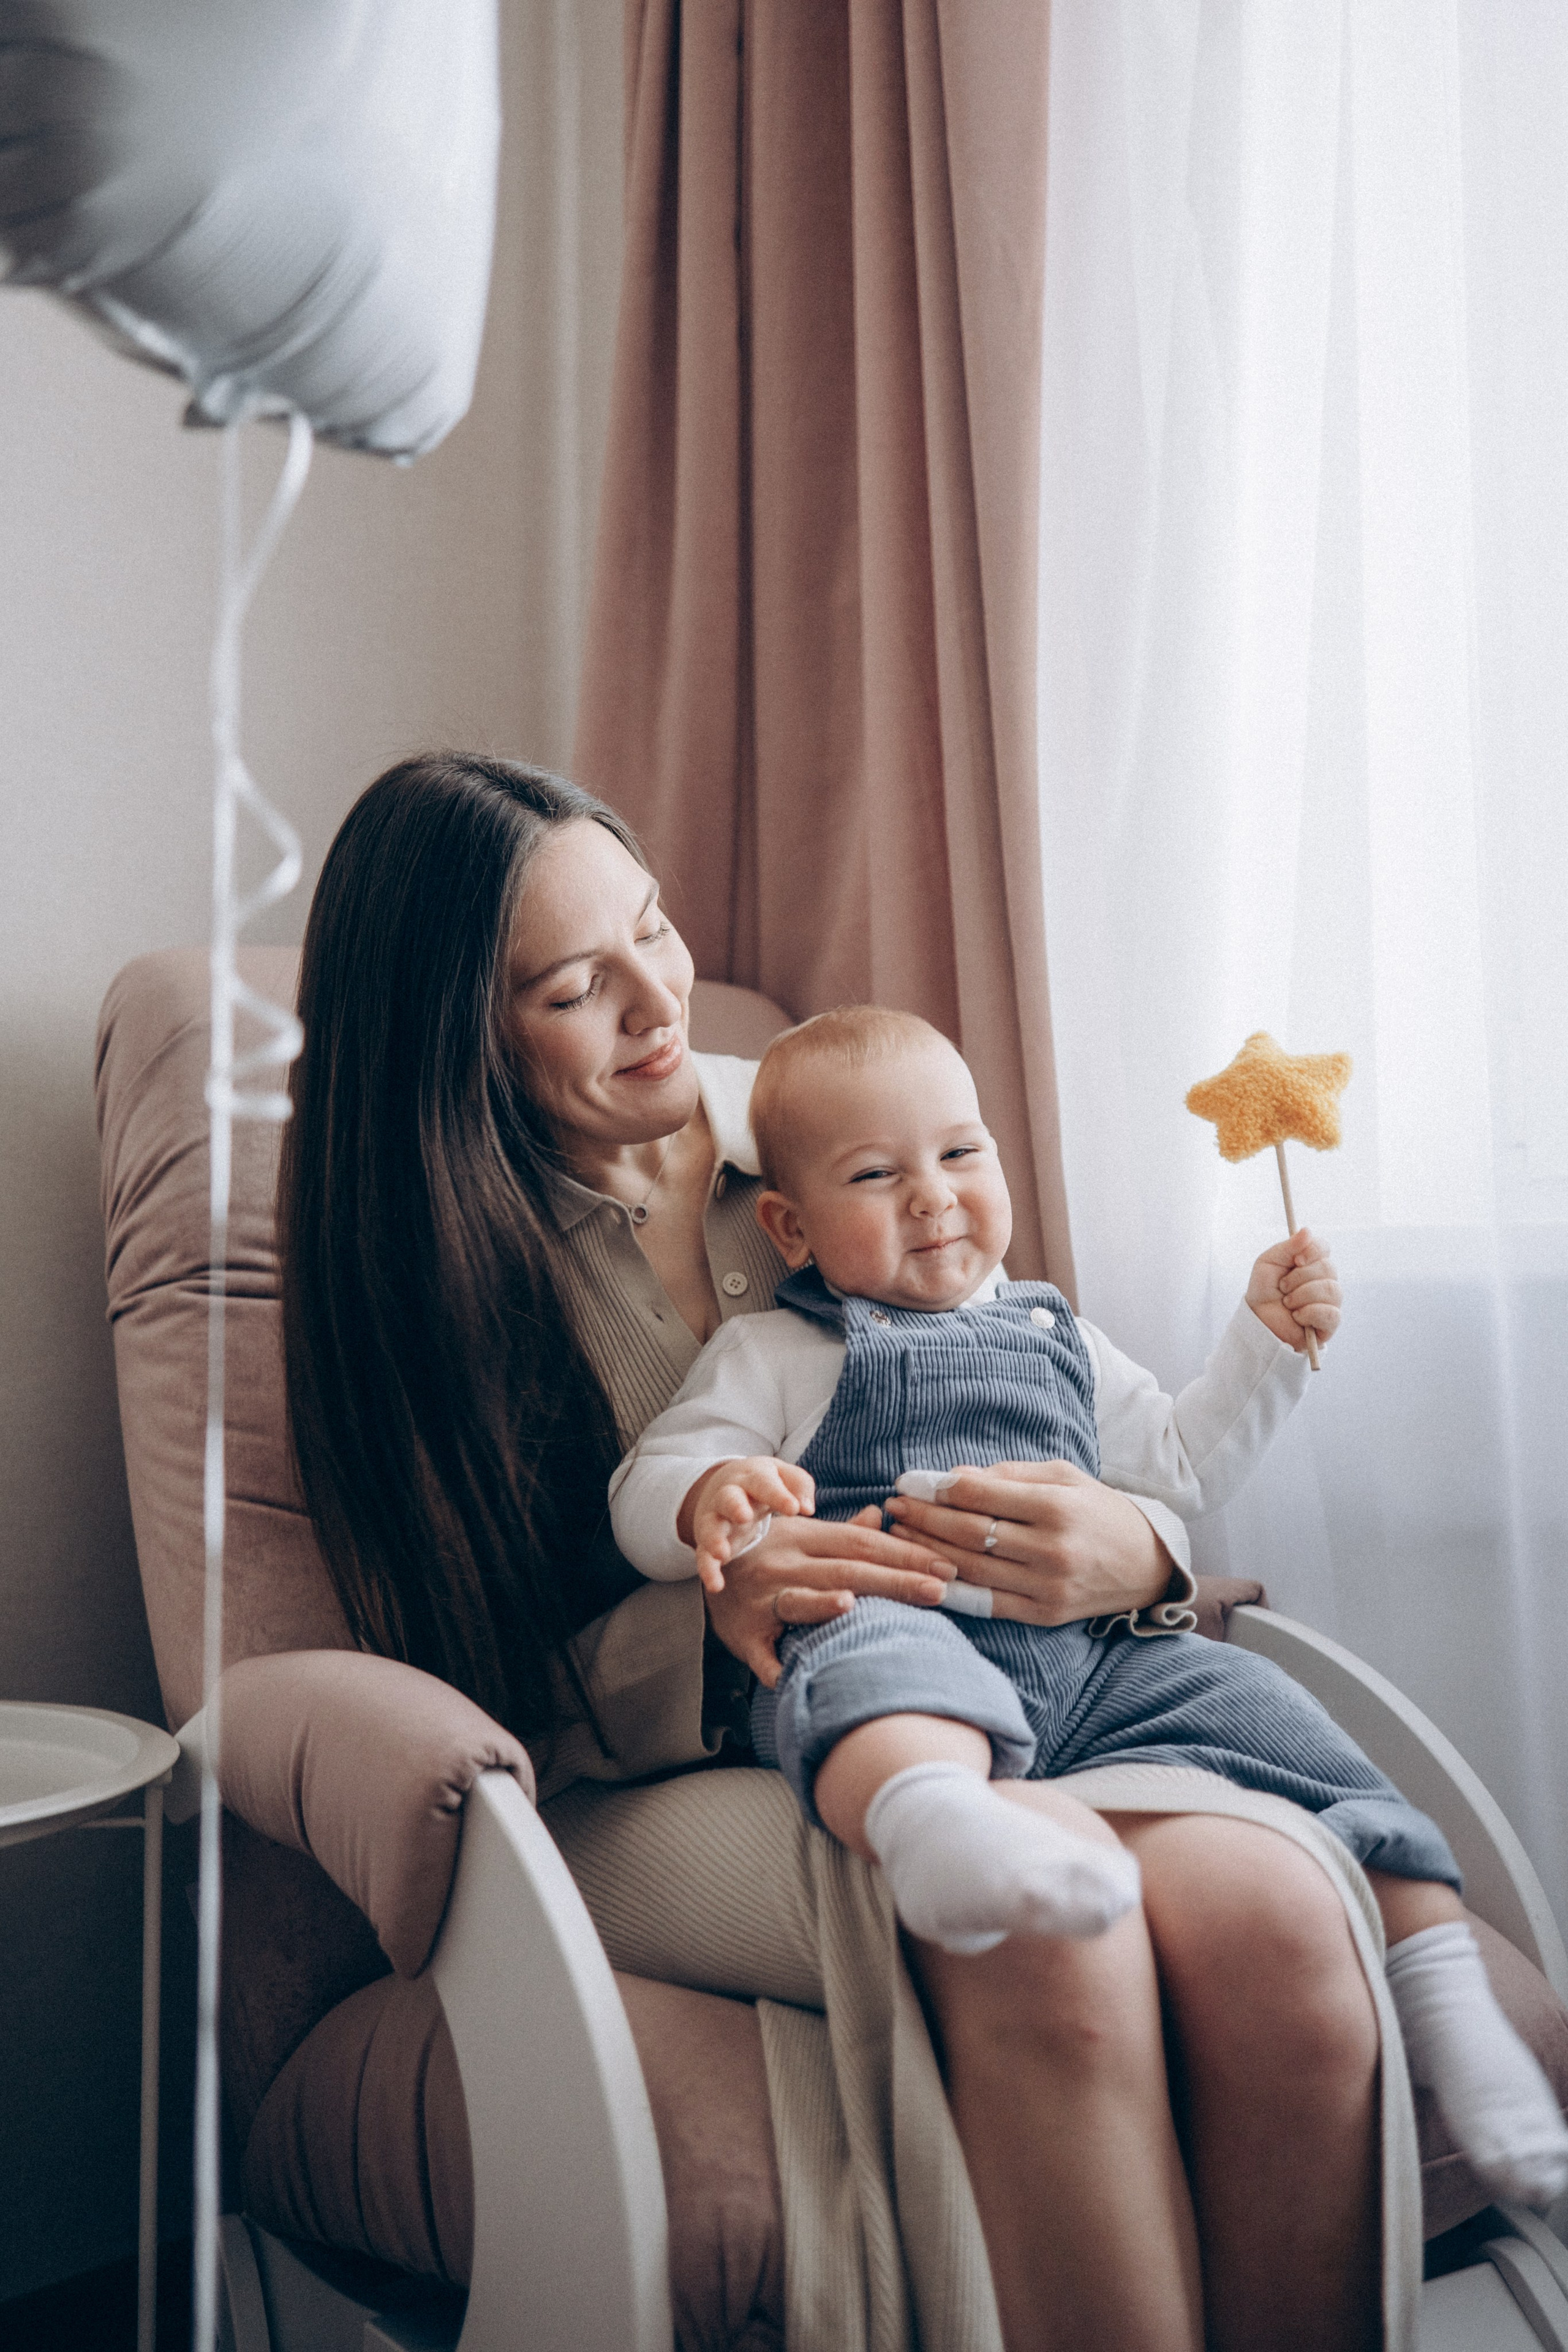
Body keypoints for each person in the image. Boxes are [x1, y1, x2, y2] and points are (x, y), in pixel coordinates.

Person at [282, 751, 1426, 2352]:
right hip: (641, 1787)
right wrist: (718, 1605)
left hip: (1001, 1687)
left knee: (1277, 1918)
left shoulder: (826, 1133)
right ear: (460, 1032)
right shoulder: (442, 1268)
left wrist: (1138, 1555)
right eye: (572, 988)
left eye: (658, 930)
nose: (658, 1004)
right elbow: (469, 1665)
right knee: (1053, 1918)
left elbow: (1076, 1417)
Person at [611, 1004, 1568, 2213]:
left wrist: (1261, 1344)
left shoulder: (1053, 1330)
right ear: (791, 1229)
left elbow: (1174, 1465)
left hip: (1098, 1659)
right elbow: (642, 1483)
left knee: (1271, 1716)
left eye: (961, 1154)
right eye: (875, 1174)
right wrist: (710, 1494)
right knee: (863, 1669)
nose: (933, 1196)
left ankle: (1436, 1989)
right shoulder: (779, 1353)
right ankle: (938, 1824)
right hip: (896, 1609)